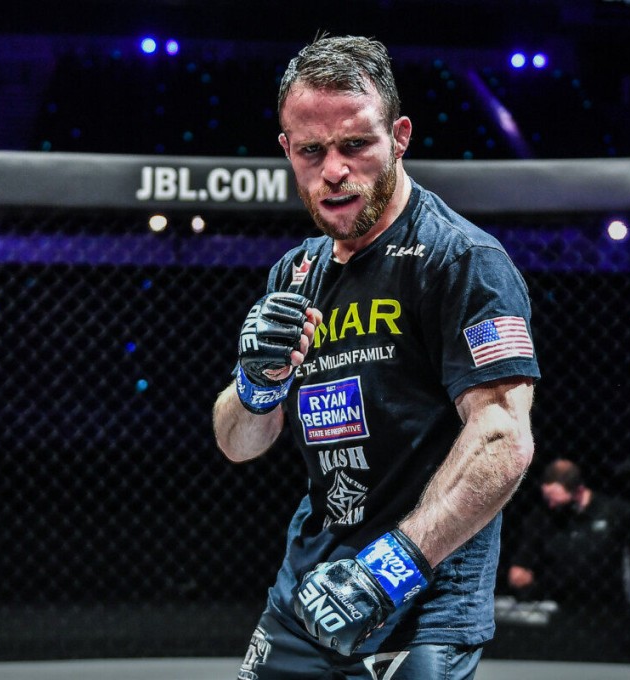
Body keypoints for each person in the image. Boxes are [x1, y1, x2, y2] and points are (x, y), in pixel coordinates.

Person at [212, 34, 540, 680]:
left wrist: (390, 568)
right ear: (287, 151)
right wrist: (255, 386)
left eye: (355, 145)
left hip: (424, 601)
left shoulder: (462, 261)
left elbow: (504, 438)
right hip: (309, 594)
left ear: (400, 136)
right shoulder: (294, 273)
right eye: (312, 151)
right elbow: (239, 443)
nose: (333, 170)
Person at [506, 459, 630, 611]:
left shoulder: (614, 512)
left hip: (610, 606)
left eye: (558, 503)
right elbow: (519, 569)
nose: (551, 506)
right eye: (548, 499)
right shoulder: (541, 518)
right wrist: (520, 576)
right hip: (559, 605)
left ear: (579, 491)